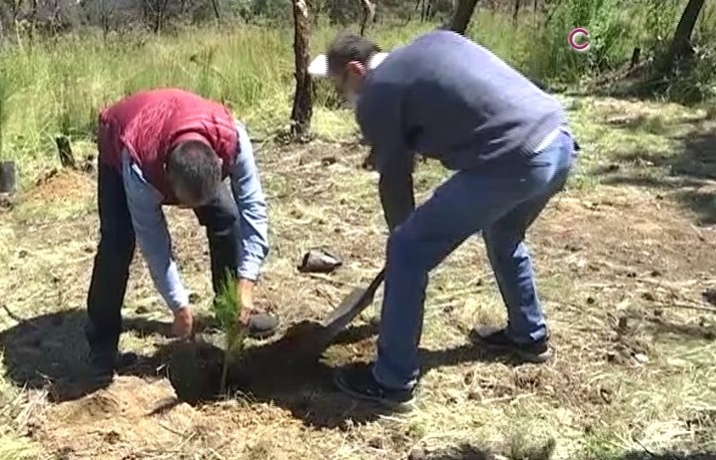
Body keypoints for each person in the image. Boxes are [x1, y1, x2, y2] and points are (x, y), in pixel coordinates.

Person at [307, 30, 579, 410]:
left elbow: (395, 183)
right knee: (504, 233)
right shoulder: (432, 44)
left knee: (407, 249)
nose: (342, 97)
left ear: (355, 69)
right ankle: (528, 336)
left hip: (516, 157)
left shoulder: (377, 94)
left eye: (339, 86)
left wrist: (403, 243)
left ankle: (393, 380)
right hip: (559, 141)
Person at [85, 87, 279, 374]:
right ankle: (101, 344)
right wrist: (179, 307)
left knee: (226, 217)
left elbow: (253, 210)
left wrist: (246, 283)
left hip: (185, 128)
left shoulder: (233, 139)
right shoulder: (140, 168)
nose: (187, 211)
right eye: (184, 204)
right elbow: (155, 247)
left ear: (218, 163)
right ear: (167, 176)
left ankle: (231, 311)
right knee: (117, 242)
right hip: (122, 137)